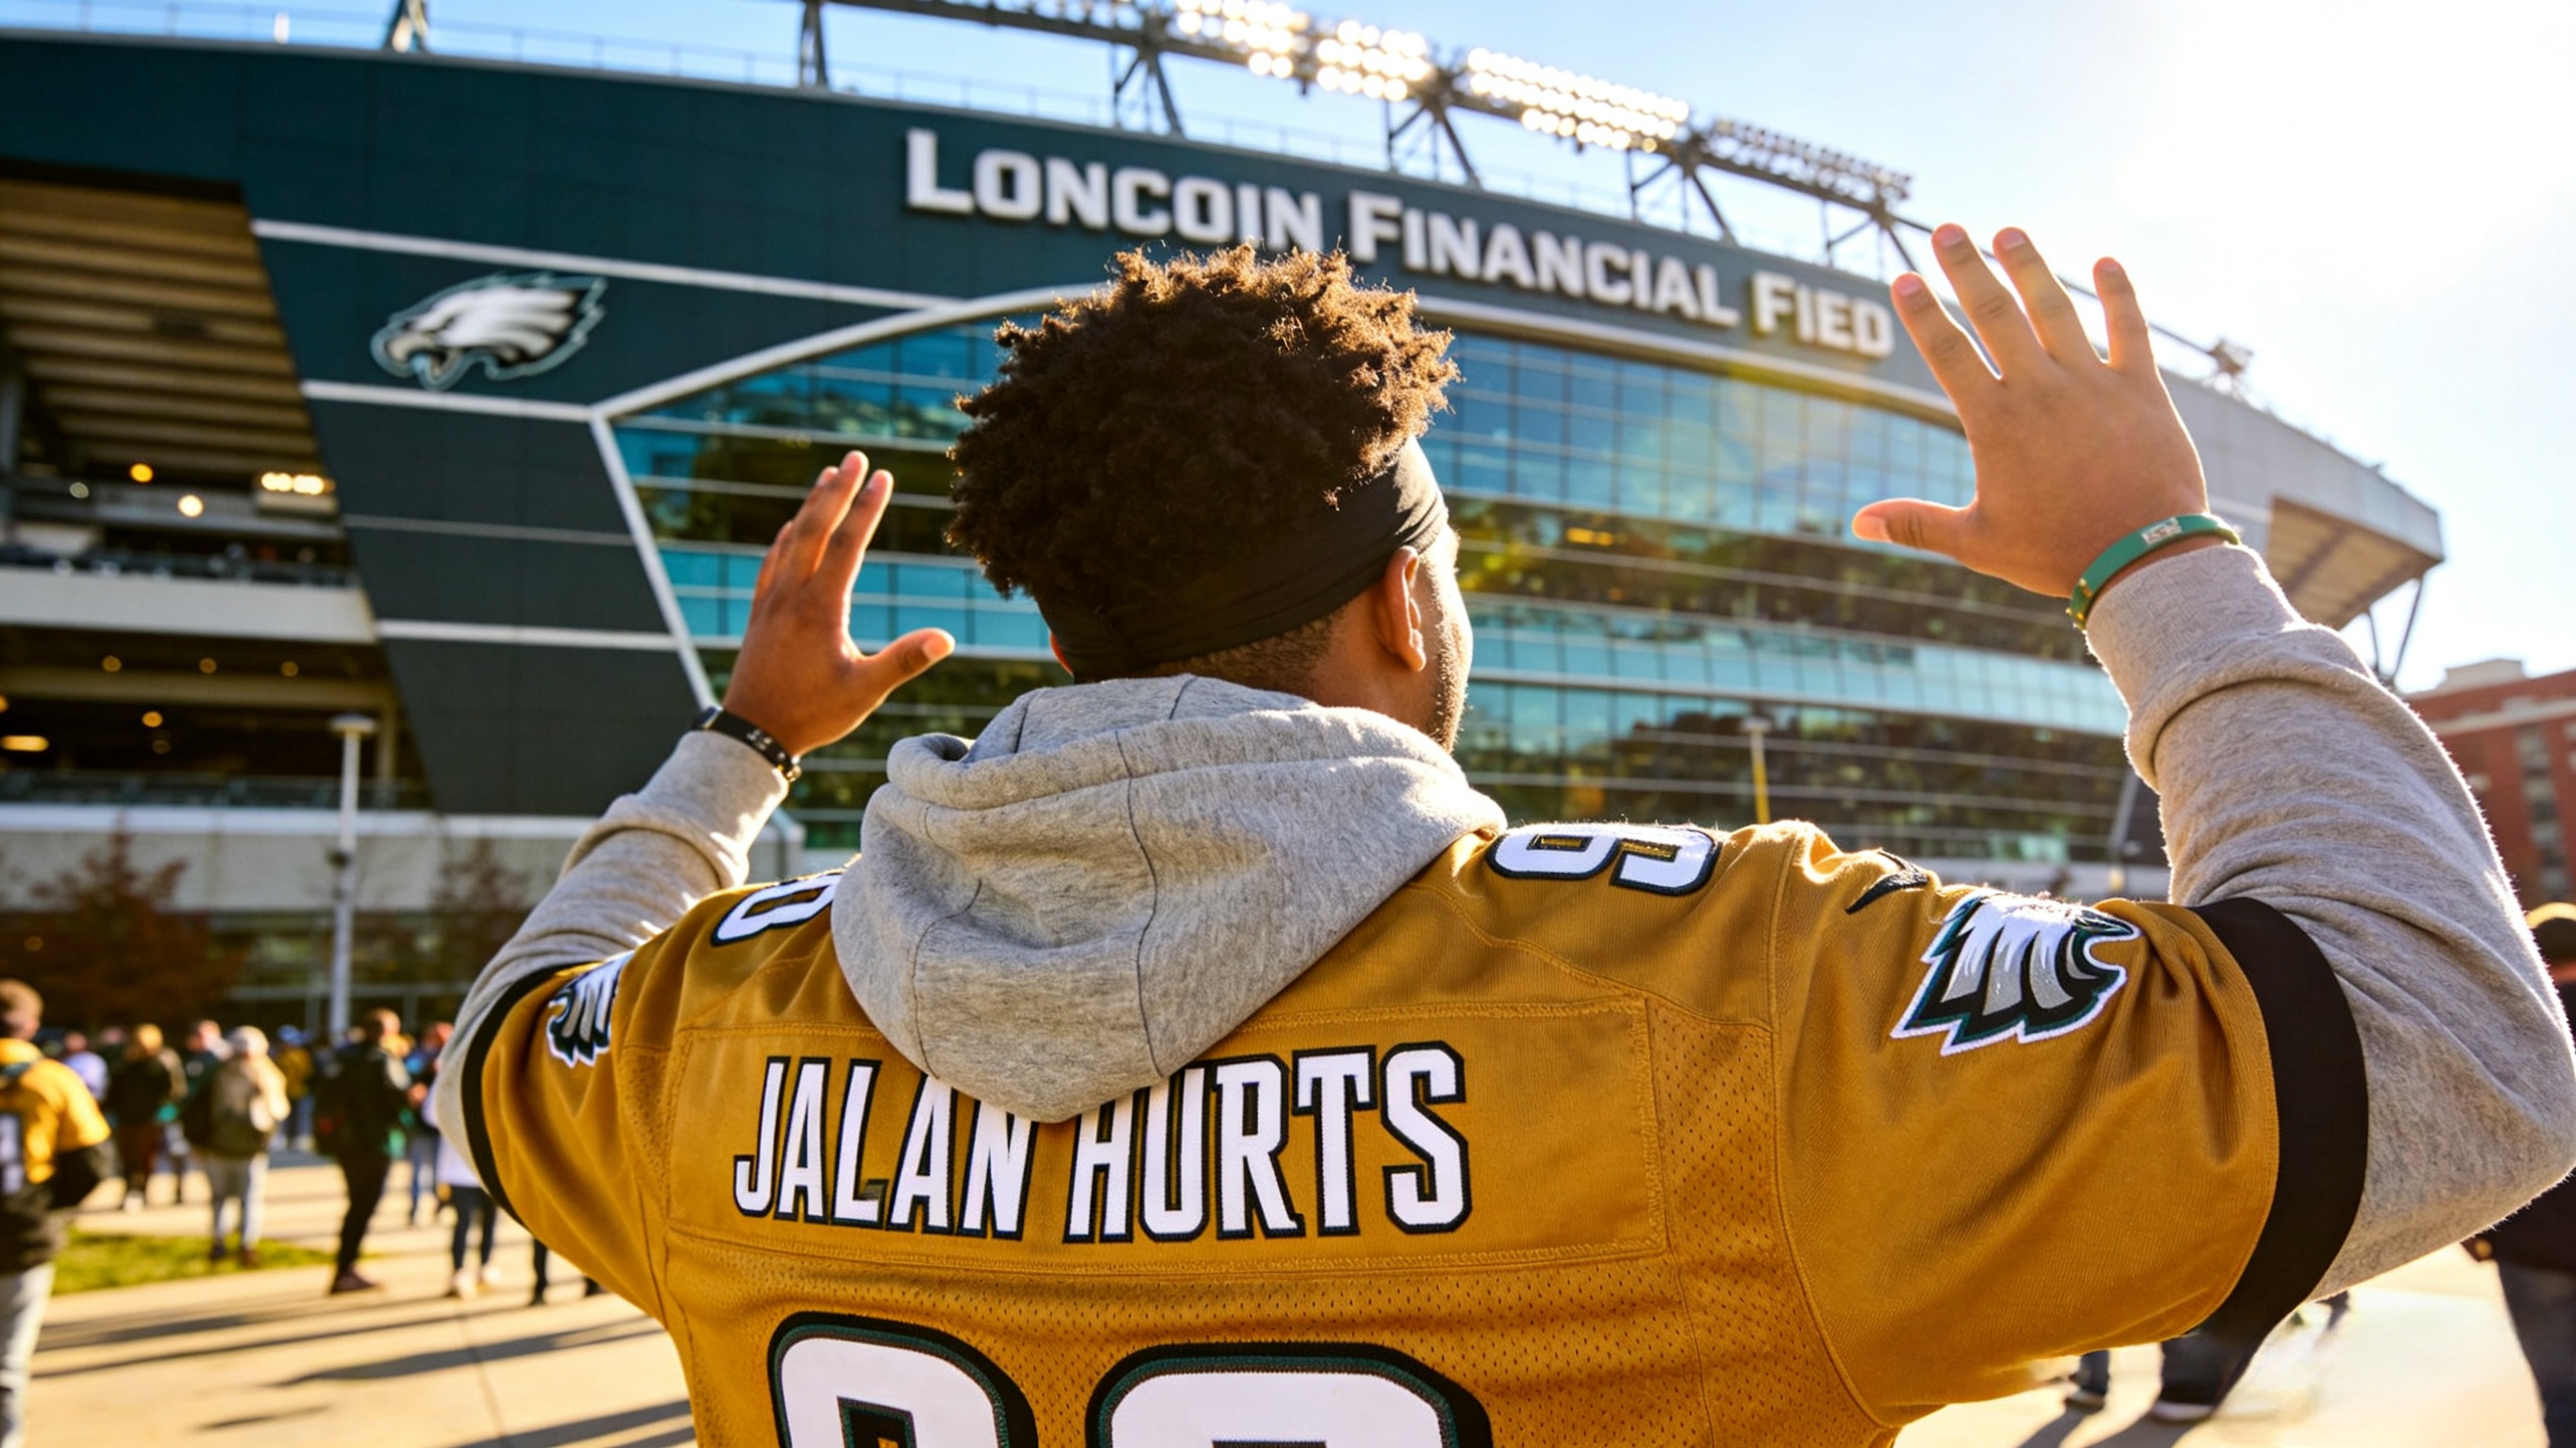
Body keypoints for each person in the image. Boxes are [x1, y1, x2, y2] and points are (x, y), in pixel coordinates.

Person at [433, 238, 2576, 1441]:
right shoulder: (1721, 992)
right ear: (1407, 602)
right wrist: (2164, 549)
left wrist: (733, 753)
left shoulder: (735, 1021)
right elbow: (2454, 1056)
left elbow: (502, 1044)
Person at [2470, 903, 2576, 1444]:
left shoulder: (2502, 1034)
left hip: (2529, 1246)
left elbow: (2465, 1138)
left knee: (2563, 1398)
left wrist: (2479, 1234)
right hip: (2532, 1244)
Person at [0, 980, 110, 1448]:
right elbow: (93, 1163)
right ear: (32, 1026)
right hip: (23, 1234)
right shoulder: (55, 1078)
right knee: (7, 1360)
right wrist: (47, 1207)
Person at [312, 1008, 410, 1295]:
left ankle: (345, 1267)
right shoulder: (382, 1061)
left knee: (356, 1204)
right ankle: (346, 1268)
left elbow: (322, 1097)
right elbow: (398, 1099)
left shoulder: (341, 1059)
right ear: (386, 1032)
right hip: (374, 1143)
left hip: (345, 1144)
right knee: (363, 1206)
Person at [196, 1027, 289, 1268]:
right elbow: (200, 1109)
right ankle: (219, 1242)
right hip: (219, 1147)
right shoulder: (217, 1074)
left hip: (249, 1150)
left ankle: (246, 1245)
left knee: (249, 1199)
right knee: (221, 1198)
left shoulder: (267, 1075)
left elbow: (276, 1111)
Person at [417, 1074, 495, 1297]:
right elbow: (431, 1115)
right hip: (459, 1168)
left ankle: (485, 1264)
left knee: (489, 1220)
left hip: (489, 1169)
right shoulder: (448, 1078)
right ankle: (459, 1271)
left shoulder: (494, 1073)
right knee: (463, 1221)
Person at [104, 1024, 184, 1210]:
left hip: (149, 1118)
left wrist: (163, 1109)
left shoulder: (161, 1062)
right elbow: (115, 1089)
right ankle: (129, 1191)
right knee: (127, 1158)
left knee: (145, 1158)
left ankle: (141, 1191)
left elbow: (173, 1089)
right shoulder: (124, 1063)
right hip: (126, 1117)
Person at [165, 1019, 226, 1207]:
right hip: (186, 1116)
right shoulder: (185, 1058)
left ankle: (217, 1194)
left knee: (209, 1160)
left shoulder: (220, 1060)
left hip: (209, 1118)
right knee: (178, 1154)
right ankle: (179, 1189)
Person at [402, 1021, 451, 1225]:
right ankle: (415, 1207)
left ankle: (440, 1204)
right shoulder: (418, 1057)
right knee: (418, 1169)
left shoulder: (452, 1058)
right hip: (421, 1124)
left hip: (442, 1127)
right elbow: (407, 1075)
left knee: (440, 1172)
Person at [270, 1026, 313, 1151]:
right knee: (281, 1117)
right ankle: (281, 1138)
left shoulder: (301, 1055)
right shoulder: (277, 1055)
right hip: (282, 1093)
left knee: (299, 1117)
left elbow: (307, 1073)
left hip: (299, 1092)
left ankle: (298, 1139)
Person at [56, 1032, 106, 1104]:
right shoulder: (64, 1059)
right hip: (65, 1100)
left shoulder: (91, 1060)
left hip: (87, 1101)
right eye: (69, 1040)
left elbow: (91, 1082)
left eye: (75, 1040)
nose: (71, 1043)